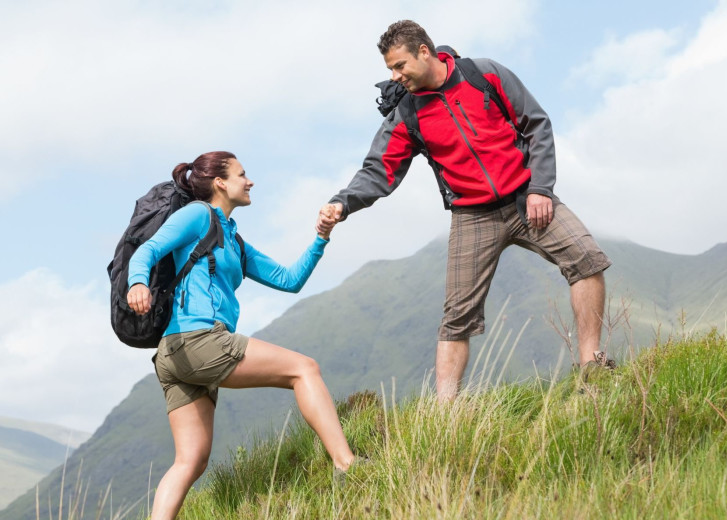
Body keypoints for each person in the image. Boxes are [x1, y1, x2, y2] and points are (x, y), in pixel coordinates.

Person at [316, 20, 613, 402]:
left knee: (586, 259)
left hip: (527, 197)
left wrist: (541, 188)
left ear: (425, 51)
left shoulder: (483, 74)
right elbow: (380, 170)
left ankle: (592, 366)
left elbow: (535, 124)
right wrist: (343, 202)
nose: (395, 76)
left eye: (400, 65)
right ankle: (445, 414)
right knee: (456, 317)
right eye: (390, 69)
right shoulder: (406, 112)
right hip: (472, 216)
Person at [127, 151, 356, 520]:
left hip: (177, 356)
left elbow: (289, 280)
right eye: (241, 174)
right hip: (198, 340)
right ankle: (348, 466)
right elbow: (147, 250)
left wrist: (321, 237)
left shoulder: (233, 239)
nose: (249, 181)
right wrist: (137, 283)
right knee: (305, 369)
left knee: (191, 460)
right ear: (220, 182)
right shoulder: (199, 215)